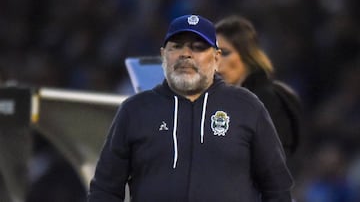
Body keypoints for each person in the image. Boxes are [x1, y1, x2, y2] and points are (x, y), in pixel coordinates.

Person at [88, 14, 293, 202]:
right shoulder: (134, 110)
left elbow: (277, 187)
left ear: (216, 58)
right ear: (163, 55)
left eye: (198, 47)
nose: (185, 54)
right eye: (176, 46)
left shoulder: (247, 107)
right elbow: (105, 190)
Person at [215, 15, 302, 157]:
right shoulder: (223, 102)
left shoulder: (268, 100)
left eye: (225, 53)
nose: (216, 64)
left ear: (246, 54)